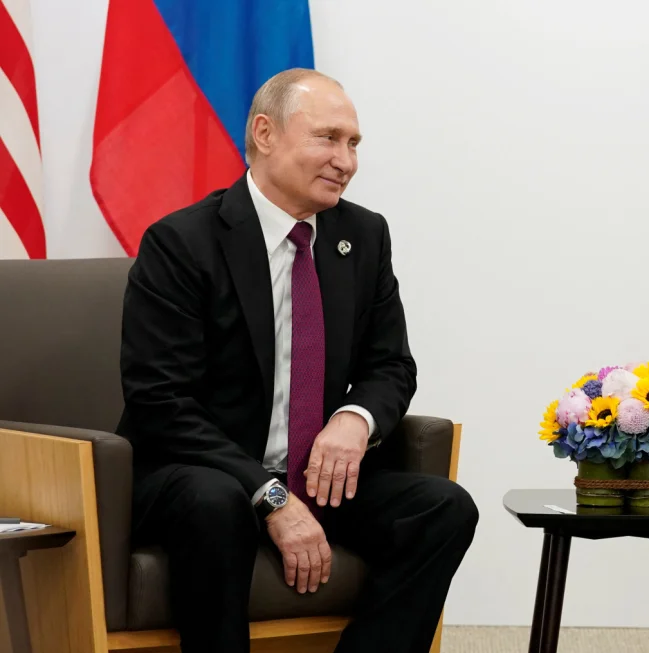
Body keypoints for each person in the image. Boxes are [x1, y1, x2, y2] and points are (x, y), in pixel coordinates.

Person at [116, 68, 478, 653]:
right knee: (214, 502)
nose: (346, 160)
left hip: (315, 473)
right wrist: (271, 496)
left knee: (443, 509)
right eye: (328, 138)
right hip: (204, 475)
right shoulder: (181, 244)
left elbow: (391, 365)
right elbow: (161, 403)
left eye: (354, 143)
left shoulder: (363, 235)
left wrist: (353, 420)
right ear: (265, 133)